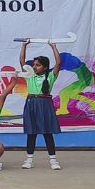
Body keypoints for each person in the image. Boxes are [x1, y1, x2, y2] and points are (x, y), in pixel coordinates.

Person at [19, 40, 63, 170]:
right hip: (31, 104)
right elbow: (22, 61)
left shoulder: (50, 76)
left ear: (45, 67)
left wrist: (53, 47)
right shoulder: (30, 76)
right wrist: (24, 46)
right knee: (31, 133)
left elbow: (58, 63)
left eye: (37, 65)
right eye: (34, 65)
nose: (34, 67)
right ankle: (29, 160)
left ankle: (53, 160)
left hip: (45, 105)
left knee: (47, 133)